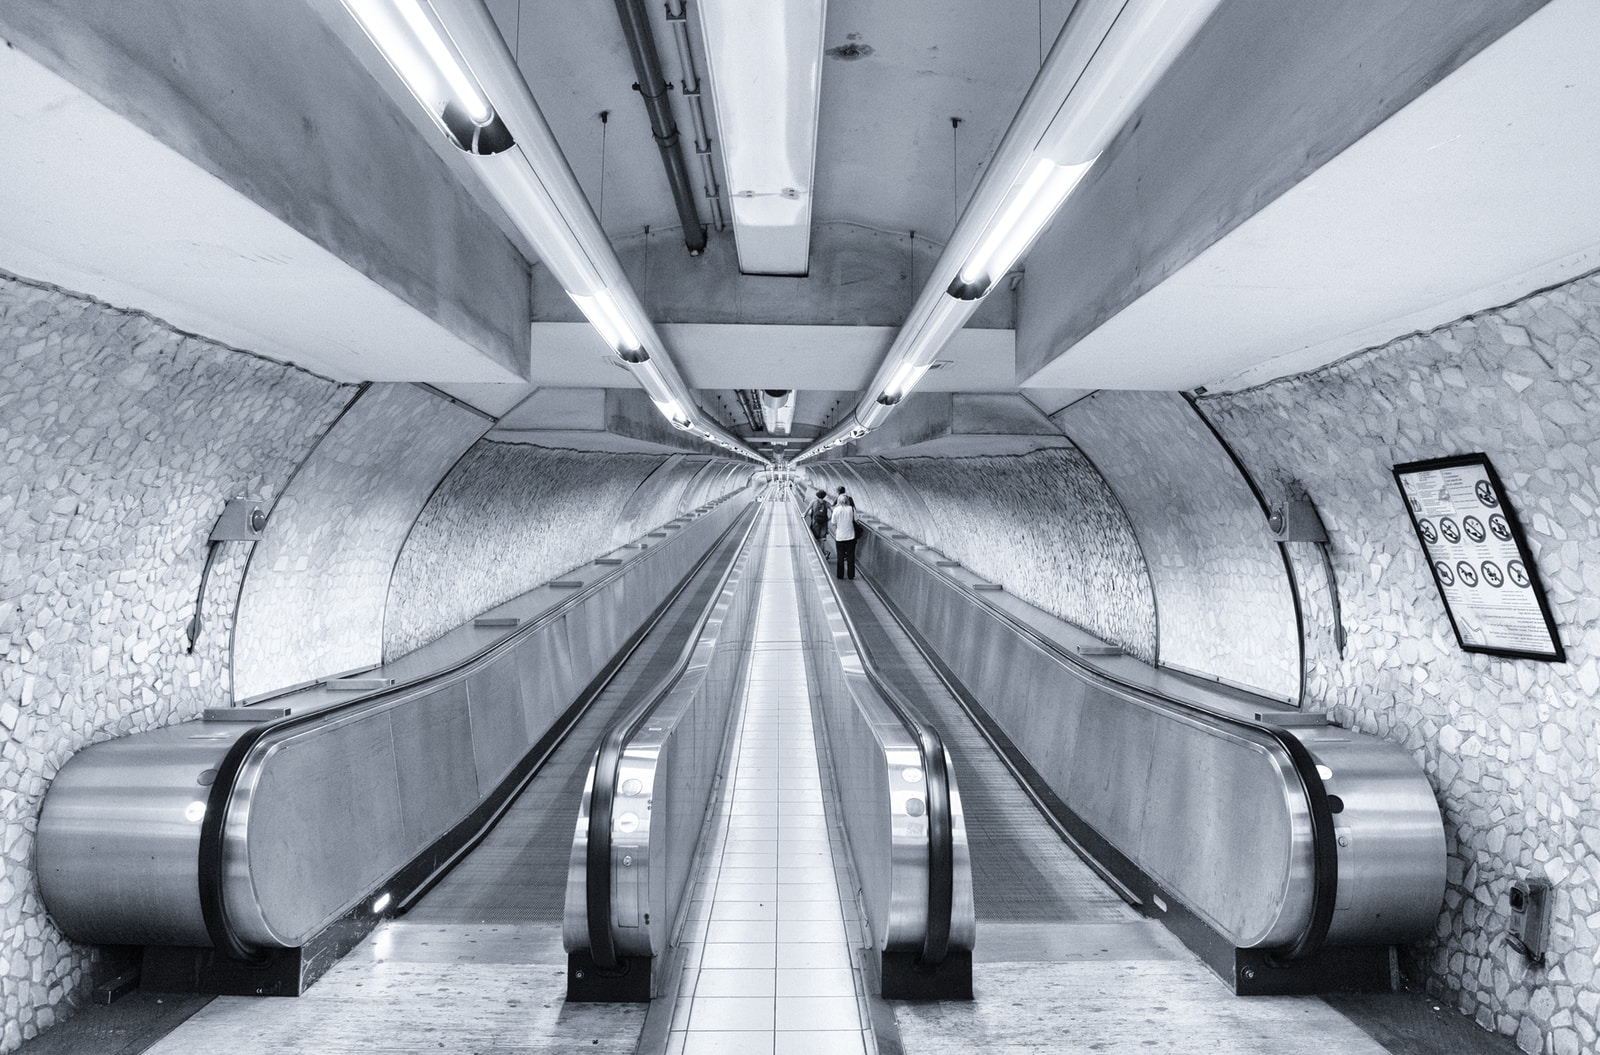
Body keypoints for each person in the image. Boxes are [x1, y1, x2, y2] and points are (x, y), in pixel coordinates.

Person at [831, 495, 857, 580]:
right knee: (851, 556)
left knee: (840, 556)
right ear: (847, 501)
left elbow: (833, 522)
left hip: (840, 536)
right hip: (850, 535)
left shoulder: (836, 510)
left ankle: (840, 575)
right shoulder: (851, 509)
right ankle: (851, 575)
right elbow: (856, 520)